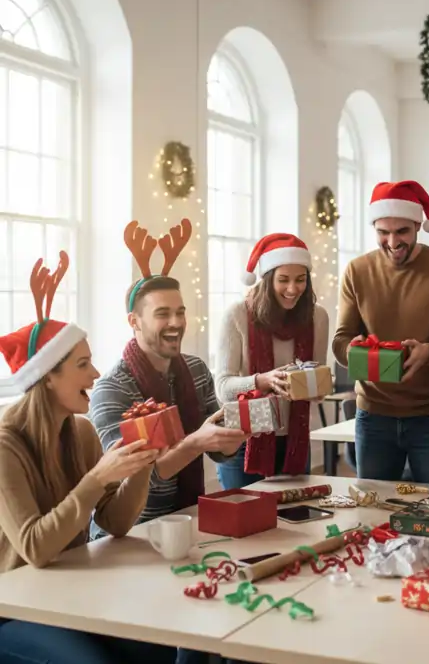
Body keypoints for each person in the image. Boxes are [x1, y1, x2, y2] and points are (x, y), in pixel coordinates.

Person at [0, 252, 176, 664]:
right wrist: (97, 478)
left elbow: (114, 522)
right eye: (83, 364)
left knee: (167, 646)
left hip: (70, 594)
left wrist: (141, 465)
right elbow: (35, 548)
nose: (95, 374)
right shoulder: (6, 447)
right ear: (47, 380)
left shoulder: (80, 432)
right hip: (14, 607)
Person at [89, 219, 245, 530]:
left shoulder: (197, 370)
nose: (176, 322)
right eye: (162, 314)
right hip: (129, 533)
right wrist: (196, 444)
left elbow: (221, 455)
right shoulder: (112, 389)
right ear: (134, 321)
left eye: (181, 311)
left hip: (188, 521)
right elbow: (132, 480)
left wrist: (232, 439)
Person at [332, 180, 429, 482]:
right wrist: (354, 350)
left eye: (402, 232)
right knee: (373, 511)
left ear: (418, 226)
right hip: (373, 416)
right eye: (383, 232)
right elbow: (340, 343)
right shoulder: (357, 271)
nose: (392, 242)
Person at [215, 233, 329, 489]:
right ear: (267, 280)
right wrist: (263, 381)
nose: (292, 289)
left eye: (300, 280)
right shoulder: (237, 315)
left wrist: (314, 385)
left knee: (296, 519)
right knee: (246, 522)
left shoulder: (317, 317)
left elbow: (317, 389)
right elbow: (222, 388)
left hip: (295, 441)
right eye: (283, 280)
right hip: (243, 440)